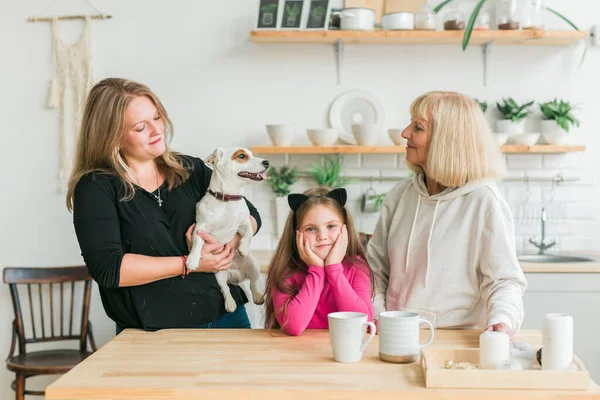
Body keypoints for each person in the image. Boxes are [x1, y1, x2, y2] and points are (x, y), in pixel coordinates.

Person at [66, 78, 262, 332]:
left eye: (157, 118)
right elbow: (108, 268)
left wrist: (227, 245)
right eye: (140, 127)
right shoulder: (96, 188)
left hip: (226, 315)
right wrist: (189, 263)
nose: (157, 130)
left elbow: (252, 215)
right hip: (153, 331)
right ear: (111, 137)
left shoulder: (192, 169)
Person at [367, 91, 527, 338]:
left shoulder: (483, 201)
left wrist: (502, 319)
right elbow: (376, 269)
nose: (405, 133)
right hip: (393, 334)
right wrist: (379, 313)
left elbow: (504, 281)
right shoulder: (400, 195)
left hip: (457, 337)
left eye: (417, 127)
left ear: (445, 140)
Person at [264, 187, 374, 336]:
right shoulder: (284, 270)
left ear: (344, 230)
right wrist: (317, 271)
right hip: (296, 354)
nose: (322, 236)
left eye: (331, 226)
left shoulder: (357, 267)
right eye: (310, 229)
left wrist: (333, 270)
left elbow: (363, 323)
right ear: (297, 234)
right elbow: (292, 326)